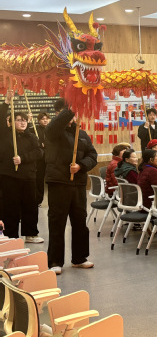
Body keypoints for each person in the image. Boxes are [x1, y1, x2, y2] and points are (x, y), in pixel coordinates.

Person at [45, 98, 97, 274]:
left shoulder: (81, 134)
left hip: (78, 183)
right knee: (57, 222)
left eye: (73, 113)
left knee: (80, 221)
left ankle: (79, 258)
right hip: (59, 182)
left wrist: (81, 165)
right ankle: (55, 261)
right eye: (65, 113)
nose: (71, 117)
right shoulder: (52, 131)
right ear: (58, 114)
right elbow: (55, 126)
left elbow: (93, 155)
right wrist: (71, 107)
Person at [0, 91, 44, 242]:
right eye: (19, 120)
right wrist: (6, 102)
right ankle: (11, 236)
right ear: (11, 122)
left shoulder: (31, 136)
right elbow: (1, 118)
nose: (23, 122)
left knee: (30, 206)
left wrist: (23, 159)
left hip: (28, 176)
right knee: (10, 207)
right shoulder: (5, 134)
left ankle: (30, 234)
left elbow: (39, 152)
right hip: (9, 176)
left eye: (25, 120)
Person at [35, 111, 50, 206]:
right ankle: (38, 200)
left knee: (51, 180)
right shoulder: (35, 129)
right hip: (40, 159)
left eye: (46, 119)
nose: (45, 120)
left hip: (50, 158)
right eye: (43, 119)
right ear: (39, 120)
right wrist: (39, 144)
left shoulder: (51, 129)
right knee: (39, 180)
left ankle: (53, 200)